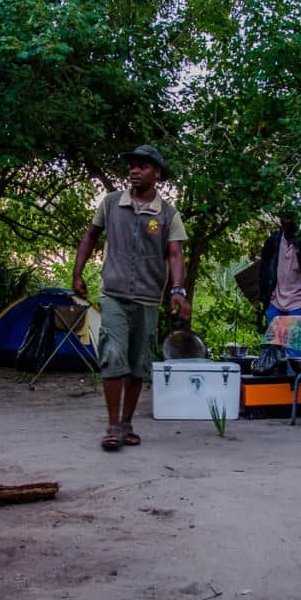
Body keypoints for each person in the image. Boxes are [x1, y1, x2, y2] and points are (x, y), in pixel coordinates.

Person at [72, 144, 191, 451]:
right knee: (112, 355)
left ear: (158, 174)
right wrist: (78, 273)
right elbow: (91, 235)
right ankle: (112, 426)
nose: (134, 171)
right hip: (113, 293)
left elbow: (175, 253)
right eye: (132, 166)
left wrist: (178, 290)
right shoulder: (111, 203)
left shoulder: (167, 214)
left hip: (149, 298)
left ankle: (127, 423)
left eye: (143, 166)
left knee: (139, 364)